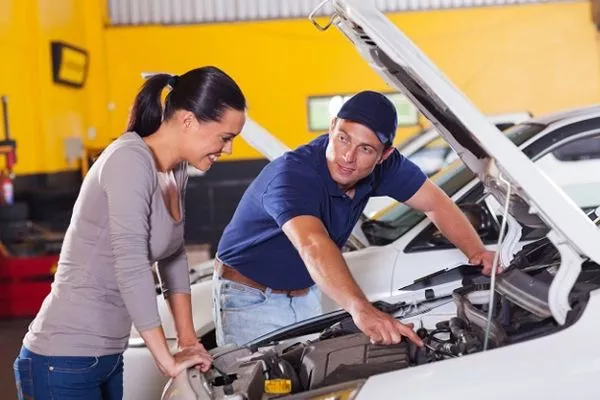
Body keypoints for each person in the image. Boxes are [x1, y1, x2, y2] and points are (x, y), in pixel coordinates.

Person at [13, 66, 246, 400]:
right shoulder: (129, 160)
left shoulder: (174, 168)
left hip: (107, 355)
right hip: (63, 356)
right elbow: (131, 264)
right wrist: (165, 360)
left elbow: (173, 255)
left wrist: (188, 340)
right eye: (225, 138)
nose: (228, 150)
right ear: (188, 121)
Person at [213, 90, 500, 347]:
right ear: (332, 127)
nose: (348, 156)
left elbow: (435, 204)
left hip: (307, 294)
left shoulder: (387, 167)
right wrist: (360, 308)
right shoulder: (292, 176)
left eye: (365, 149)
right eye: (342, 138)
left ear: (384, 155)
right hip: (250, 298)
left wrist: (476, 252)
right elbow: (313, 243)